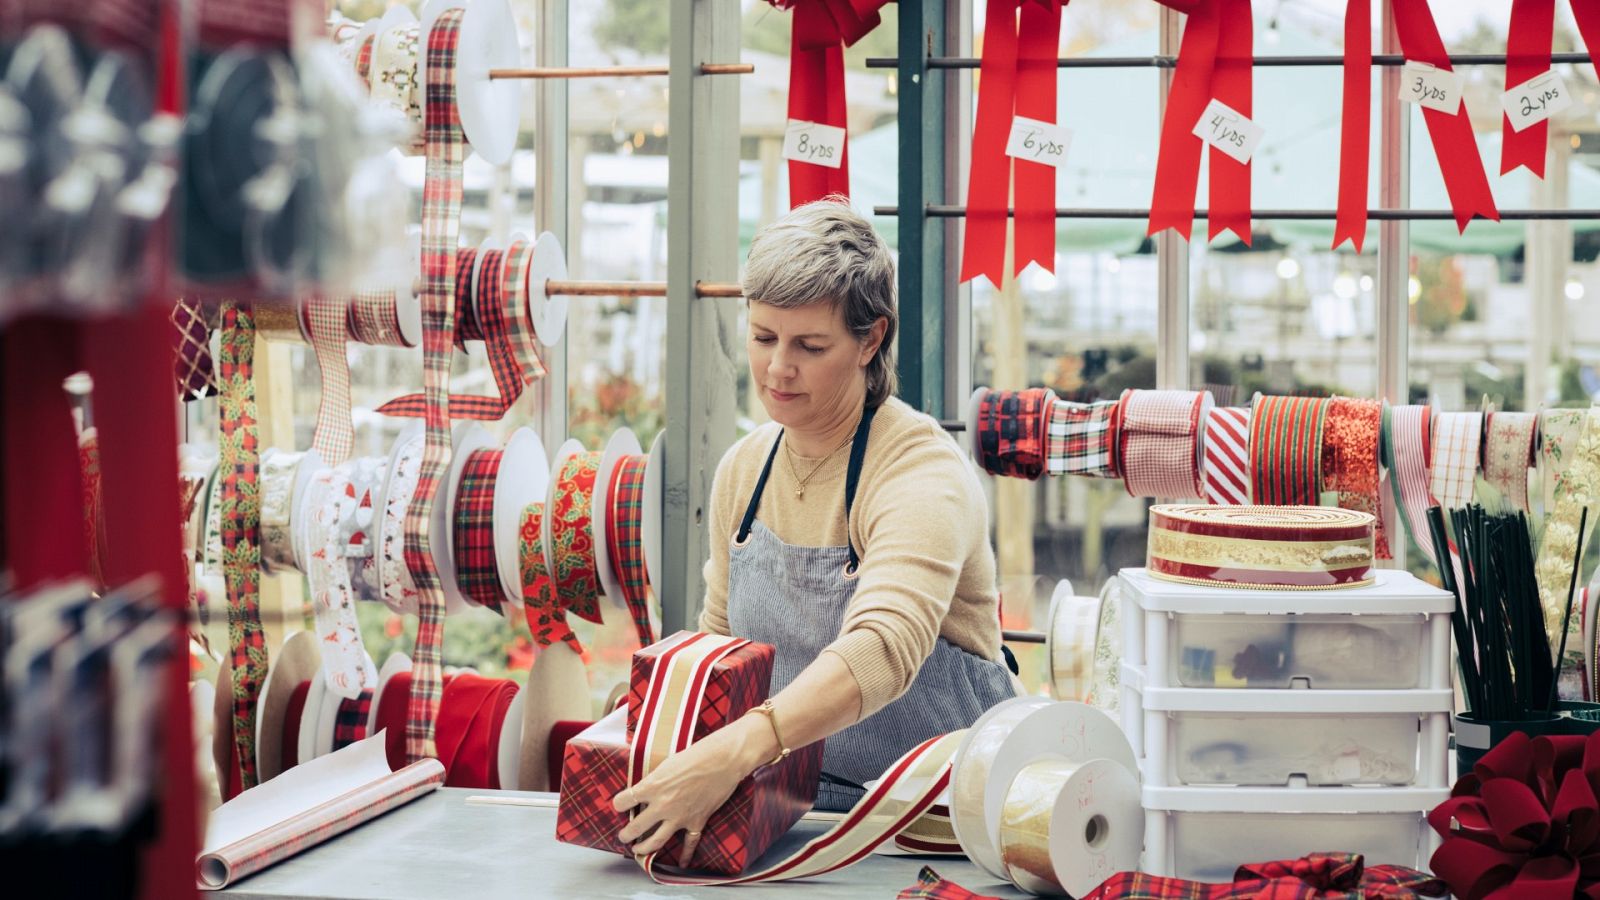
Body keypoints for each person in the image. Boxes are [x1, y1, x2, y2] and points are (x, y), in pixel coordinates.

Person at [614, 199, 1017, 865]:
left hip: (938, 826)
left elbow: (884, 649)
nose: (777, 370)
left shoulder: (919, 471)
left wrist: (740, 747)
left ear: (871, 339)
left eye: (809, 346)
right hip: (788, 817)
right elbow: (719, 649)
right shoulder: (745, 472)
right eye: (763, 337)